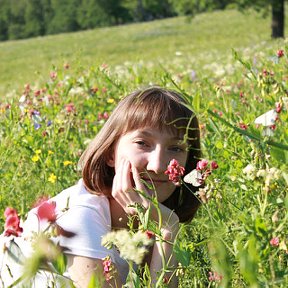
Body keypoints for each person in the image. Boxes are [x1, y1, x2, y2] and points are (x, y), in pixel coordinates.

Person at [0, 86, 201, 287]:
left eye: (175, 148)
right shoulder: (82, 216)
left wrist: (167, 228)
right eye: (142, 143)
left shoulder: (147, 221)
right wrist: (166, 227)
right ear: (110, 154)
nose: (158, 165)